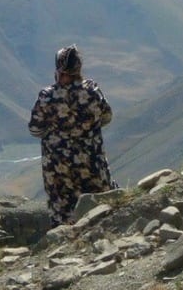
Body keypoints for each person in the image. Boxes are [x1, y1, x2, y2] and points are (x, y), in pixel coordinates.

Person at [29, 44, 118, 227]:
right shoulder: (92, 91)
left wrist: (56, 134)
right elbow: (107, 117)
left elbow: (35, 129)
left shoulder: (47, 97)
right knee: (99, 208)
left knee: (63, 212)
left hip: (58, 169)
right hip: (92, 162)